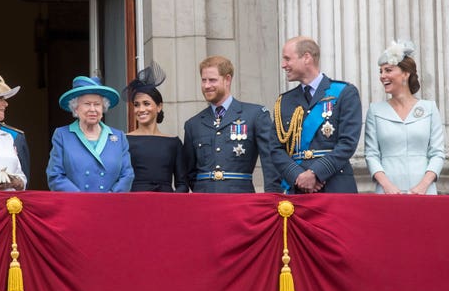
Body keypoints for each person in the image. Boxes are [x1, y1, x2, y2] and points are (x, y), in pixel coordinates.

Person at [271, 36, 362, 193]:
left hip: (335, 186)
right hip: (297, 189)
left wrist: (315, 174)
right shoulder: (284, 101)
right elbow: (275, 149)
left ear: (306, 58)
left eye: (287, 59)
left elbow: (347, 143)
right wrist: (298, 176)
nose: (283, 65)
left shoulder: (344, 93)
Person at [183, 55, 281, 193]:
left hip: (240, 199)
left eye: (212, 80)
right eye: (203, 80)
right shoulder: (193, 124)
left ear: (227, 79)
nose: (206, 85)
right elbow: (190, 172)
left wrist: (273, 195)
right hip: (204, 201)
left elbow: (270, 159)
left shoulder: (255, 114)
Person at [365, 40, 445, 194]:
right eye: (381, 72)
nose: (383, 76)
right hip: (387, 192)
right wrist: (387, 186)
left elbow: (437, 153)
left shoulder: (429, 108)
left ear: (406, 74)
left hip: (424, 192)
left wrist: (423, 186)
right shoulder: (375, 111)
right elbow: (371, 154)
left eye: (388, 70)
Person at [46, 75, 134, 192]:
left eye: (97, 104)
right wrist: (84, 200)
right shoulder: (62, 135)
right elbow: (55, 176)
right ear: (76, 108)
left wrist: (111, 197)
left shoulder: (119, 137)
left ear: (103, 108)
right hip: (76, 205)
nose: (92, 109)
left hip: (111, 204)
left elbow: (127, 175)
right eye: (87, 104)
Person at [124, 62, 188, 192]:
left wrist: (170, 201)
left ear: (159, 107)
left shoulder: (174, 143)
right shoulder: (124, 140)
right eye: (136, 105)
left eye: (146, 103)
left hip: (165, 206)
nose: (141, 109)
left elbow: (183, 184)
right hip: (134, 203)